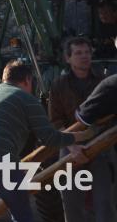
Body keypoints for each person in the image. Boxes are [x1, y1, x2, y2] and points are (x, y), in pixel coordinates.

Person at [0, 60, 93, 222]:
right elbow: (50, 138)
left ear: (4, 79)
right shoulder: (27, 98)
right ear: (28, 80)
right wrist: (81, 136)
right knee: (21, 213)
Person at [49, 37, 115, 222]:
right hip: (71, 146)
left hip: (101, 145)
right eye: (78, 53)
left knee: (105, 202)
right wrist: (71, 147)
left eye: (87, 52)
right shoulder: (58, 85)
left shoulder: (104, 82)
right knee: (71, 203)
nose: (84, 56)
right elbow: (55, 121)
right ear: (68, 58)